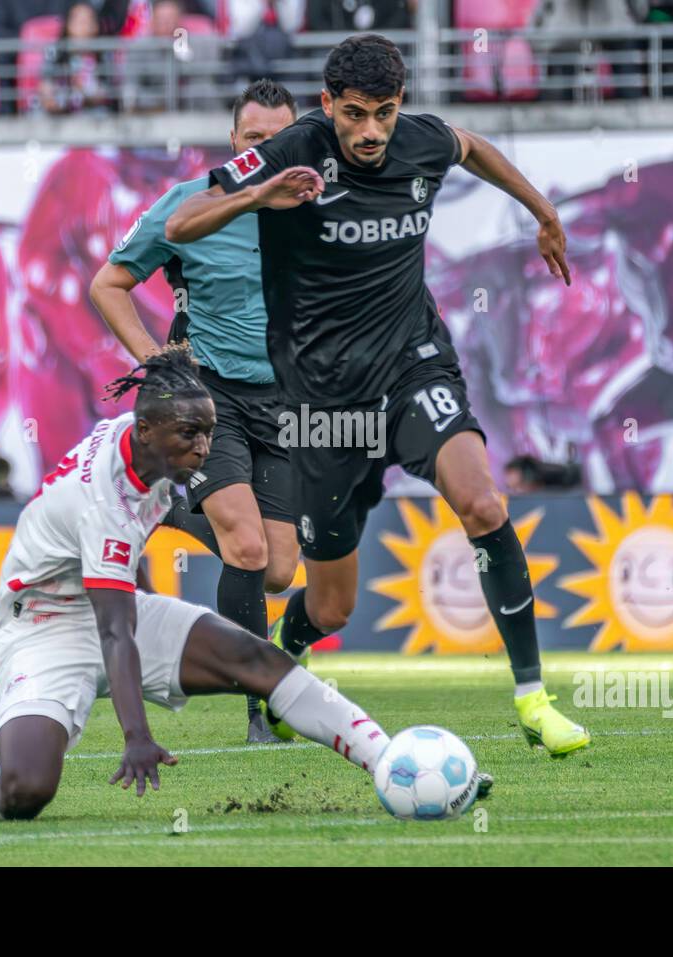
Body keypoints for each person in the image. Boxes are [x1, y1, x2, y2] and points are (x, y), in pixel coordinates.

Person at [165, 33, 590, 756]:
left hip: (411, 367)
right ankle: (289, 641)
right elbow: (182, 223)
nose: (369, 132)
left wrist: (541, 210)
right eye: (355, 114)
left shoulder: (420, 143)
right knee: (330, 601)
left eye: (384, 114)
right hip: (322, 405)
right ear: (328, 105)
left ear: (402, 107)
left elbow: (473, 146)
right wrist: (263, 195)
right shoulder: (289, 149)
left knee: (483, 502)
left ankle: (532, 697)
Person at [0, 345, 394, 819]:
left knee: (258, 659)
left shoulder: (138, 445)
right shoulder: (102, 503)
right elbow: (116, 631)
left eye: (209, 432)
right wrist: (137, 737)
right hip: (42, 629)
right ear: (147, 430)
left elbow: (129, 549)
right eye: (190, 433)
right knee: (26, 791)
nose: (203, 446)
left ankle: (392, 762)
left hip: (110, 606)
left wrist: (159, 615)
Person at [90, 78, 300, 744]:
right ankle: (258, 706)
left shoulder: (320, 204)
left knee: (276, 568)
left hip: (290, 401)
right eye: (255, 138)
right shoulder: (187, 206)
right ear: (234, 142)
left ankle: (175, 506)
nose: (268, 149)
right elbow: (110, 283)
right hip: (213, 396)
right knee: (243, 544)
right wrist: (158, 362)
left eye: (282, 138)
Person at [40, 0, 108, 114]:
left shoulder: (102, 54)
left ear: (95, 26)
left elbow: (104, 93)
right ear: (68, 24)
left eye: (86, 21)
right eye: (77, 20)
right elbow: (45, 86)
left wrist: (83, 90)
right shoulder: (55, 51)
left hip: (90, 114)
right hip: (58, 114)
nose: (82, 25)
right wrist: (53, 102)